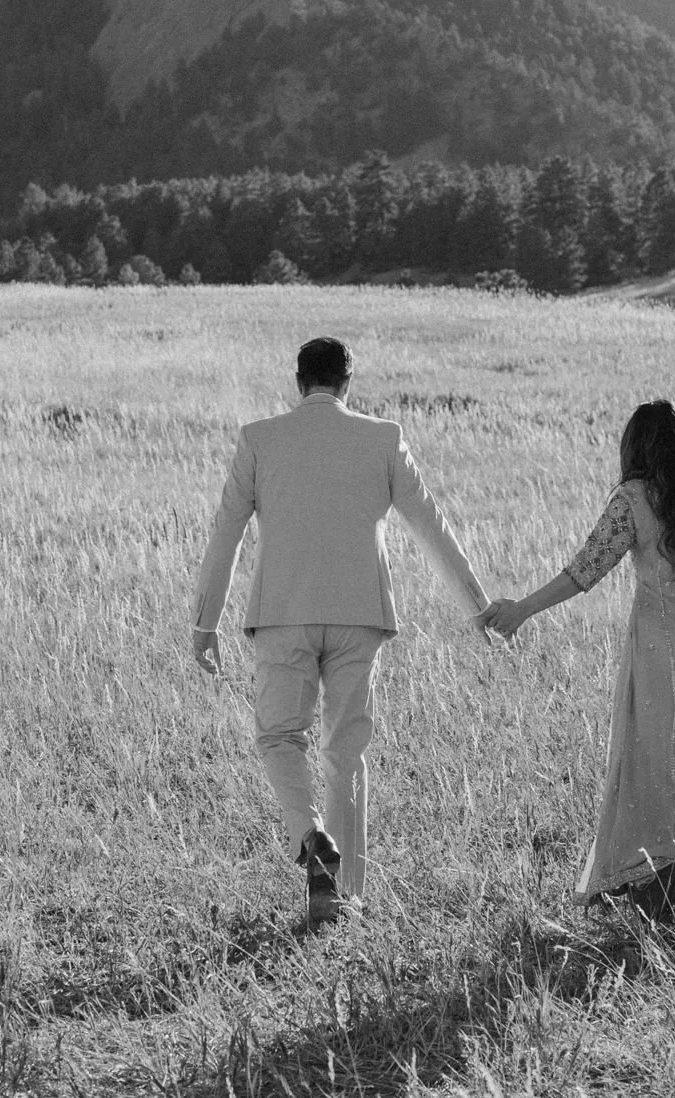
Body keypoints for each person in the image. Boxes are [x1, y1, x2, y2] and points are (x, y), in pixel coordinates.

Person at [191, 336, 494, 928]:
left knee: (281, 738)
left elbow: (225, 531)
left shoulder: (259, 438)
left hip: (283, 613)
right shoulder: (383, 438)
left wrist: (205, 622)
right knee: (346, 751)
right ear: (348, 381)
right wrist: (477, 606)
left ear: (298, 380)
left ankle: (311, 841)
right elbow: (430, 523)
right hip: (361, 615)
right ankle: (344, 898)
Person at [478, 398, 675, 935]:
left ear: (635, 449)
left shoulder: (633, 499)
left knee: (654, 765)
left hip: (663, 655)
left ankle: (657, 889)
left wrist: (522, 608)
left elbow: (584, 570)